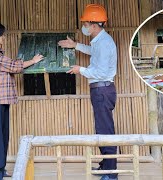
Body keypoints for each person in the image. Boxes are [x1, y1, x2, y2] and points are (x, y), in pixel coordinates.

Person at [0, 21, 44, 180]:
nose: (3, 38)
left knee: (2, 137)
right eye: (1, 35)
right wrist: (32, 60)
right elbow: (13, 66)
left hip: (2, 100)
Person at [58, 4, 118, 180]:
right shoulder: (99, 41)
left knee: (106, 131)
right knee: (102, 129)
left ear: (94, 25)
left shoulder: (105, 43)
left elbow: (99, 72)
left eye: (85, 23)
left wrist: (80, 69)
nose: (84, 26)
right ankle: (105, 165)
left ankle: (111, 173)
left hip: (102, 89)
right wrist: (75, 45)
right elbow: (93, 52)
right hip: (100, 89)